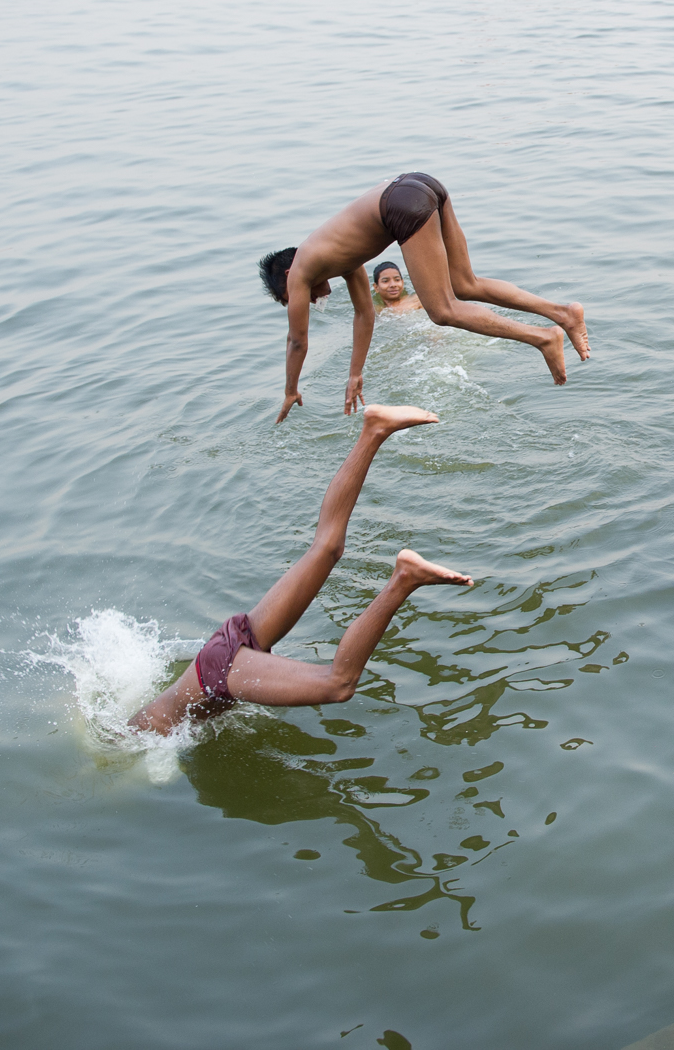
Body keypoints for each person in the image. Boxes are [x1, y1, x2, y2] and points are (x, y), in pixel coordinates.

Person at [129, 405, 471, 735]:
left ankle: (403, 579)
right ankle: (374, 431)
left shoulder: (142, 735)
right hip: (222, 648)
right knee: (326, 547)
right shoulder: (149, 716)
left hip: (219, 673)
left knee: (338, 684)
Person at [259, 173, 591, 423]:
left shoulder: (301, 268)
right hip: (423, 185)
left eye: (290, 299)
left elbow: (297, 341)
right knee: (465, 284)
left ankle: (543, 338)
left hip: (402, 202)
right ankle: (563, 313)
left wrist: (290, 390)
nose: (306, 302)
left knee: (442, 311)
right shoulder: (336, 254)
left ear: (288, 279)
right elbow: (365, 315)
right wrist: (355, 374)